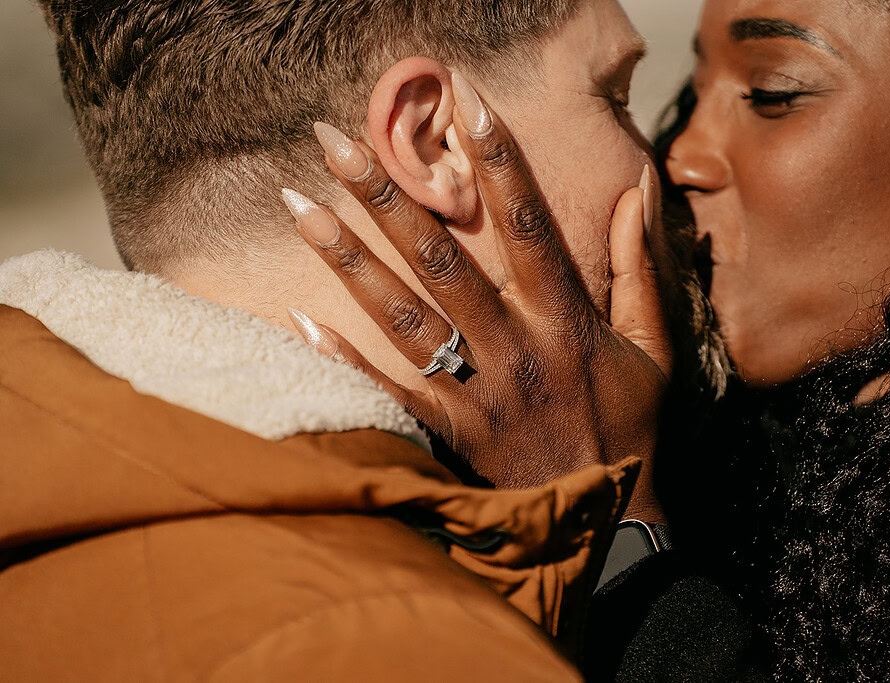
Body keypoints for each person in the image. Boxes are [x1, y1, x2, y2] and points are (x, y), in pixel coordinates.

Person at [311, 0, 890, 679]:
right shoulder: (726, 450)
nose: (679, 155)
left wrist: (598, 524)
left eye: (772, 94)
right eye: (694, 87)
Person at [0, 0, 687, 679]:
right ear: (435, 142)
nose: (672, 165)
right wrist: (608, 533)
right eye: (615, 95)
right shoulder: (400, 643)